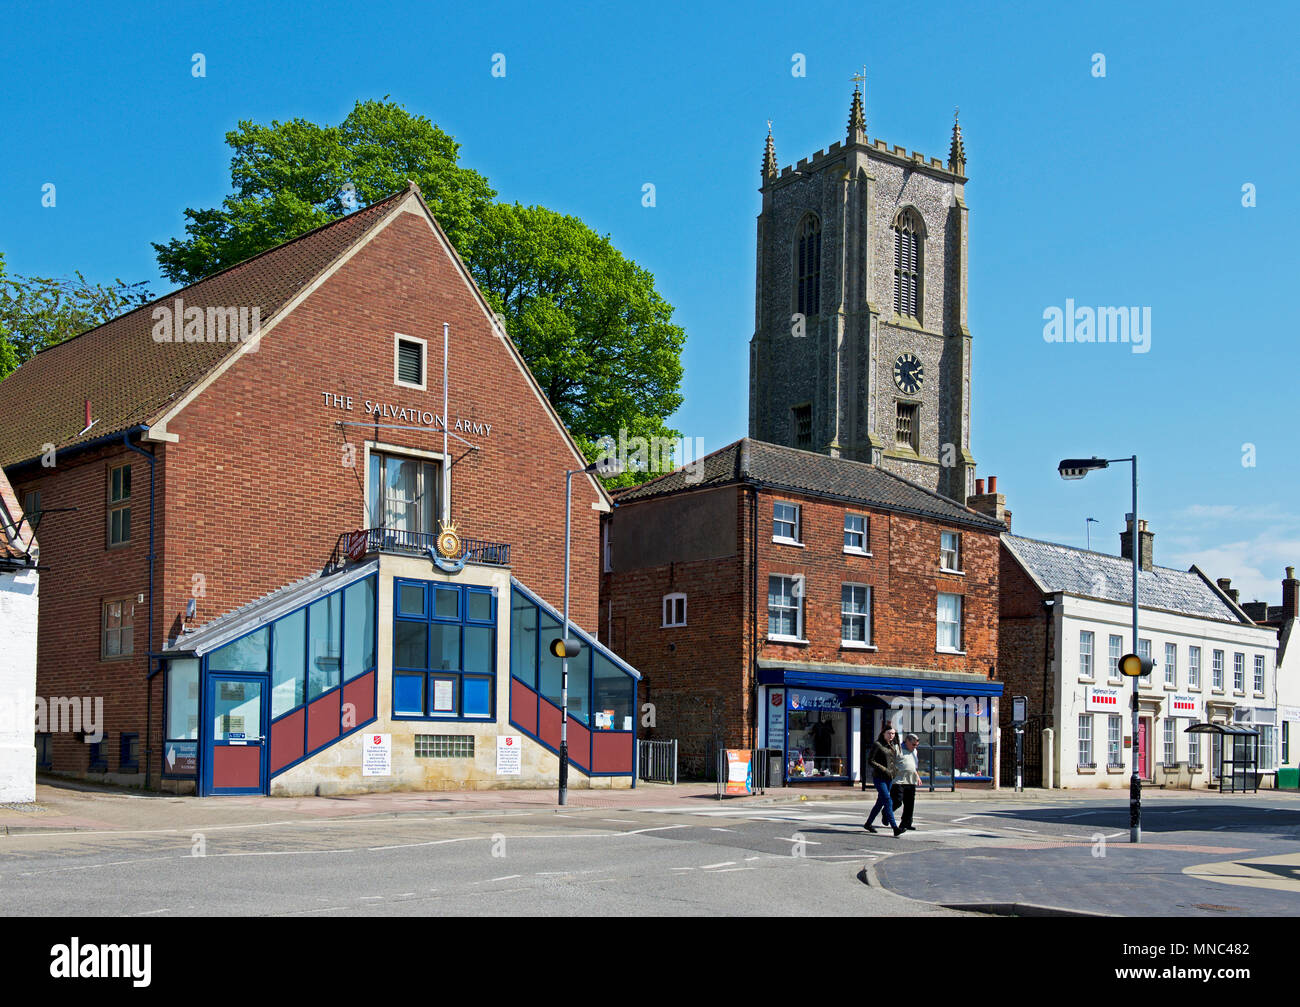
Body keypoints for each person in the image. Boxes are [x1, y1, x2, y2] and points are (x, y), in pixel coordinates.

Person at [863, 725, 902, 837]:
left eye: (893, 734)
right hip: (879, 777)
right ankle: (895, 827)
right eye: (889, 733)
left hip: (889, 777)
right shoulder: (877, 744)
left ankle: (868, 824)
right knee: (888, 800)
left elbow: (892, 761)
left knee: (880, 803)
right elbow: (870, 760)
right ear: (883, 733)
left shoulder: (892, 746)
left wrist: (895, 770)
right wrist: (884, 769)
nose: (891, 736)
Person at [891, 733, 921, 832]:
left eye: (916, 745)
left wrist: (918, 776)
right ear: (907, 741)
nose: (915, 747)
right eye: (913, 744)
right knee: (897, 801)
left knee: (909, 803)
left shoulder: (914, 751)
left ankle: (906, 823)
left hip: (911, 780)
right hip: (899, 780)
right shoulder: (897, 748)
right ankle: (887, 813)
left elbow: (914, 766)